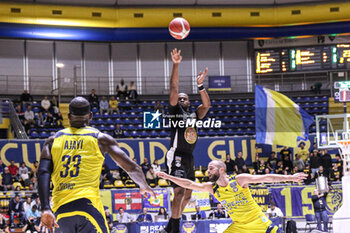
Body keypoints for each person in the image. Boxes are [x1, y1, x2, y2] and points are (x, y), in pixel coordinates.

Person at [38, 96, 154, 233]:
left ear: (68, 116)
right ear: (90, 116)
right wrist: (143, 185)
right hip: (88, 206)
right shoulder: (100, 139)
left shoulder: (53, 141)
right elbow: (132, 167)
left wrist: (45, 208)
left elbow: (42, 173)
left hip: (61, 209)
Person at [157, 160, 307, 233]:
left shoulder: (239, 180)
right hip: (239, 226)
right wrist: (168, 177)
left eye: (211, 168)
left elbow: (267, 178)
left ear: (222, 170)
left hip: (257, 221)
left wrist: (292, 178)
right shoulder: (212, 188)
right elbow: (188, 184)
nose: (207, 171)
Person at [163, 48, 210, 233]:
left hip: (189, 157)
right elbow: (174, 88)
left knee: (189, 194)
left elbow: (206, 105)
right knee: (180, 191)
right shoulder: (175, 112)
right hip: (176, 155)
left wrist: (200, 86)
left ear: (189, 101)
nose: (181, 99)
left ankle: (169, 227)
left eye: (184, 98)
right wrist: (176, 64)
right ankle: (175, 229)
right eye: (179, 98)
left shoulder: (194, 114)